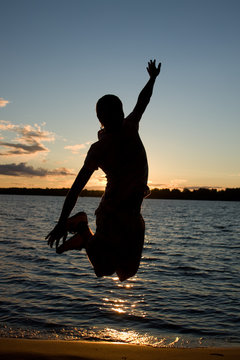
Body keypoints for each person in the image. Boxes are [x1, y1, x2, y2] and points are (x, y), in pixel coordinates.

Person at [46, 59, 161, 282]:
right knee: (104, 269)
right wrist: (61, 221)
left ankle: (83, 234)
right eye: (108, 115)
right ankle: (82, 228)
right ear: (101, 119)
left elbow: (143, 101)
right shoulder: (98, 149)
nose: (115, 117)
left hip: (132, 213)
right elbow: (76, 188)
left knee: (126, 272)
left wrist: (152, 78)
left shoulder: (130, 126)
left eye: (117, 112)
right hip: (112, 211)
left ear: (121, 112)